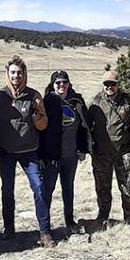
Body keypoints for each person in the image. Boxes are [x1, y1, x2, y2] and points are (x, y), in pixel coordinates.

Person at [0, 55, 54, 247]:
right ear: (7, 74)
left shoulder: (34, 96)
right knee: (7, 191)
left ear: (24, 74)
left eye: (19, 72)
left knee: (39, 189)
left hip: (29, 151)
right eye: (13, 72)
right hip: (6, 152)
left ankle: (45, 232)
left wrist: (37, 116)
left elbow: (43, 125)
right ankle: (9, 230)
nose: (16, 76)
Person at [39, 70, 91, 234]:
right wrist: (40, 155)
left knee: (68, 188)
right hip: (52, 157)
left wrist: (83, 149)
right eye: (58, 82)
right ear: (52, 85)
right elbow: (39, 131)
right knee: (47, 190)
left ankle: (69, 220)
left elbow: (83, 127)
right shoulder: (45, 102)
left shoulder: (76, 101)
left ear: (69, 83)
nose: (61, 85)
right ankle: (45, 226)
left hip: (71, 155)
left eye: (64, 82)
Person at [87, 70, 130, 226]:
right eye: (106, 84)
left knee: (127, 188)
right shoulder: (95, 103)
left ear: (118, 85)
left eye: (113, 84)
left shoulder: (128, 103)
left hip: (123, 153)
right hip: (101, 154)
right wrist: (91, 148)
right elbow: (87, 128)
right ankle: (103, 217)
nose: (109, 87)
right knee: (102, 188)